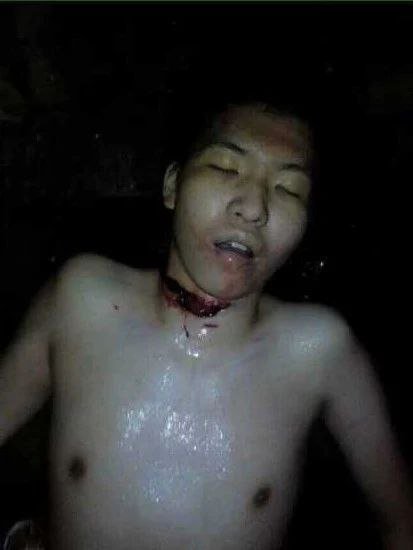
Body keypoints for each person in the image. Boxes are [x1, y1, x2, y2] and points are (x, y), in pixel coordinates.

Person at [0, 98, 412, 550]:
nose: (253, 207)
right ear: (172, 185)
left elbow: (402, 523)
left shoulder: (318, 350)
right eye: (226, 167)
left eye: (288, 189)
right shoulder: (83, 300)